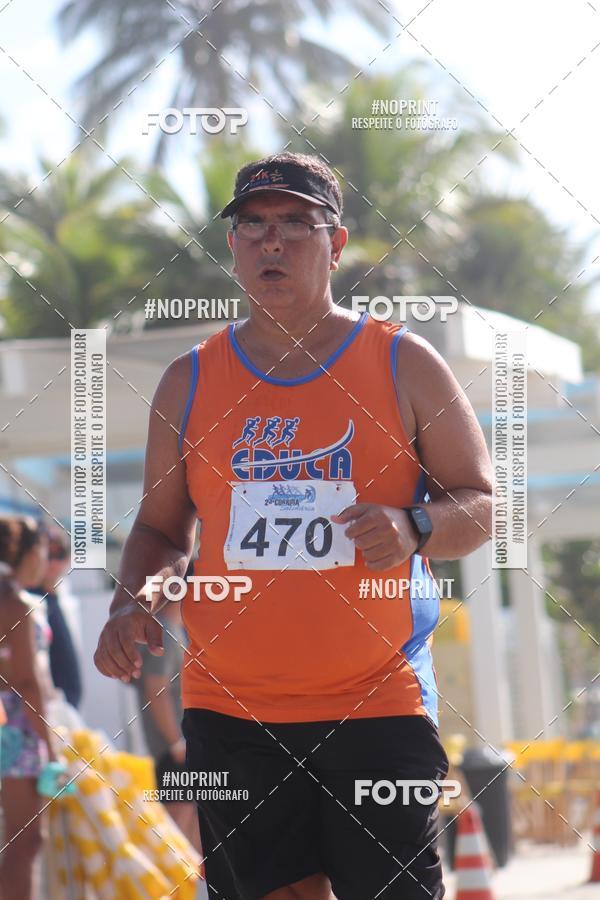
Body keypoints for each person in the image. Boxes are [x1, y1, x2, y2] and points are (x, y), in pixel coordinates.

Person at [94, 152, 493, 899]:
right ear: (233, 247)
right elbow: (157, 531)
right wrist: (132, 600)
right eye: (252, 227)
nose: (270, 243)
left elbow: (479, 504)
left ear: (336, 244)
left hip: (379, 702)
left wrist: (414, 525)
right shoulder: (189, 380)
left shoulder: (404, 363)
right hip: (229, 707)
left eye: (293, 225)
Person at [0, 516, 59, 900]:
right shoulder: (15, 602)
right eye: (44, 550)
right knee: (25, 843)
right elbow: (27, 682)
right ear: (28, 551)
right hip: (17, 732)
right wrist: (51, 747)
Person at [130, 595, 201, 852]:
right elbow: (155, 689)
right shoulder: (164, 631)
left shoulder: (170, 630)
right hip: (173, 749)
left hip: (179, 746)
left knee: (190, 824)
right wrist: (176, 741)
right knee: (177, 828)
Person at [30, 527, 82, 710]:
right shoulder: (28, 602)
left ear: (68, 558)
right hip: (46, 711)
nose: (52, 563)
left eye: (59, 555)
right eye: (47, 555)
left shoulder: (65, 599)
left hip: (67, 708)